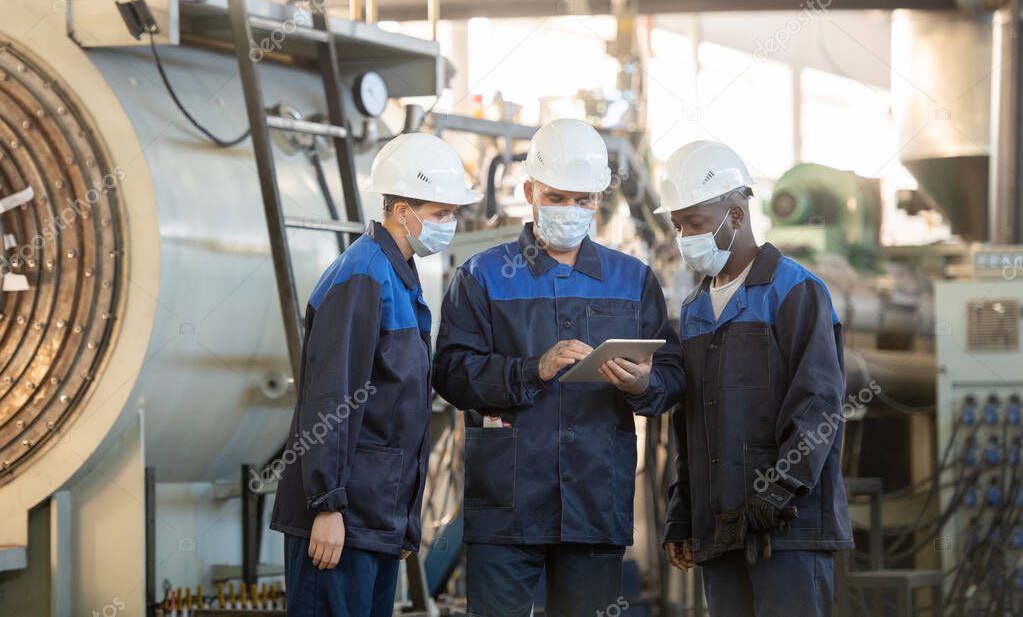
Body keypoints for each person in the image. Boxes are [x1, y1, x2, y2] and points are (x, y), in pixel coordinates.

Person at [433, 118, 684, 617]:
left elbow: (673, 376)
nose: (571, 211)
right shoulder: (482, 277)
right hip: (507, 508)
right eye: (557, 197)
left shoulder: (633, 280)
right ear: (529, 190)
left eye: (583, 200)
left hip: (594, 504)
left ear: (599, 201)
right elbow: (451, 373)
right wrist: (530, 371)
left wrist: (644, 384)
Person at [269, 133, 482, 617]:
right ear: (403, 211)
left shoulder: (398, 277)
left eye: (452, 213)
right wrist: (326, 505)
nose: (449, 224)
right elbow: (331, 397)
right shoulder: (362, 275)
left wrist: (403, 523)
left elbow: (397, 415)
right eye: (441, 212)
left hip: (373, 521)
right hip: (341, 521)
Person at [657, 141, 852, 616]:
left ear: (737, 216)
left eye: (697, 224)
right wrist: (683, 516)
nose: (685, 237)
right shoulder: (695, 308)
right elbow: (689, 426)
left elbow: (819, 404)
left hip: (788, 532)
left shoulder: (795, 291)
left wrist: (778, 492)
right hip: (721, 532)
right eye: (679, 225)